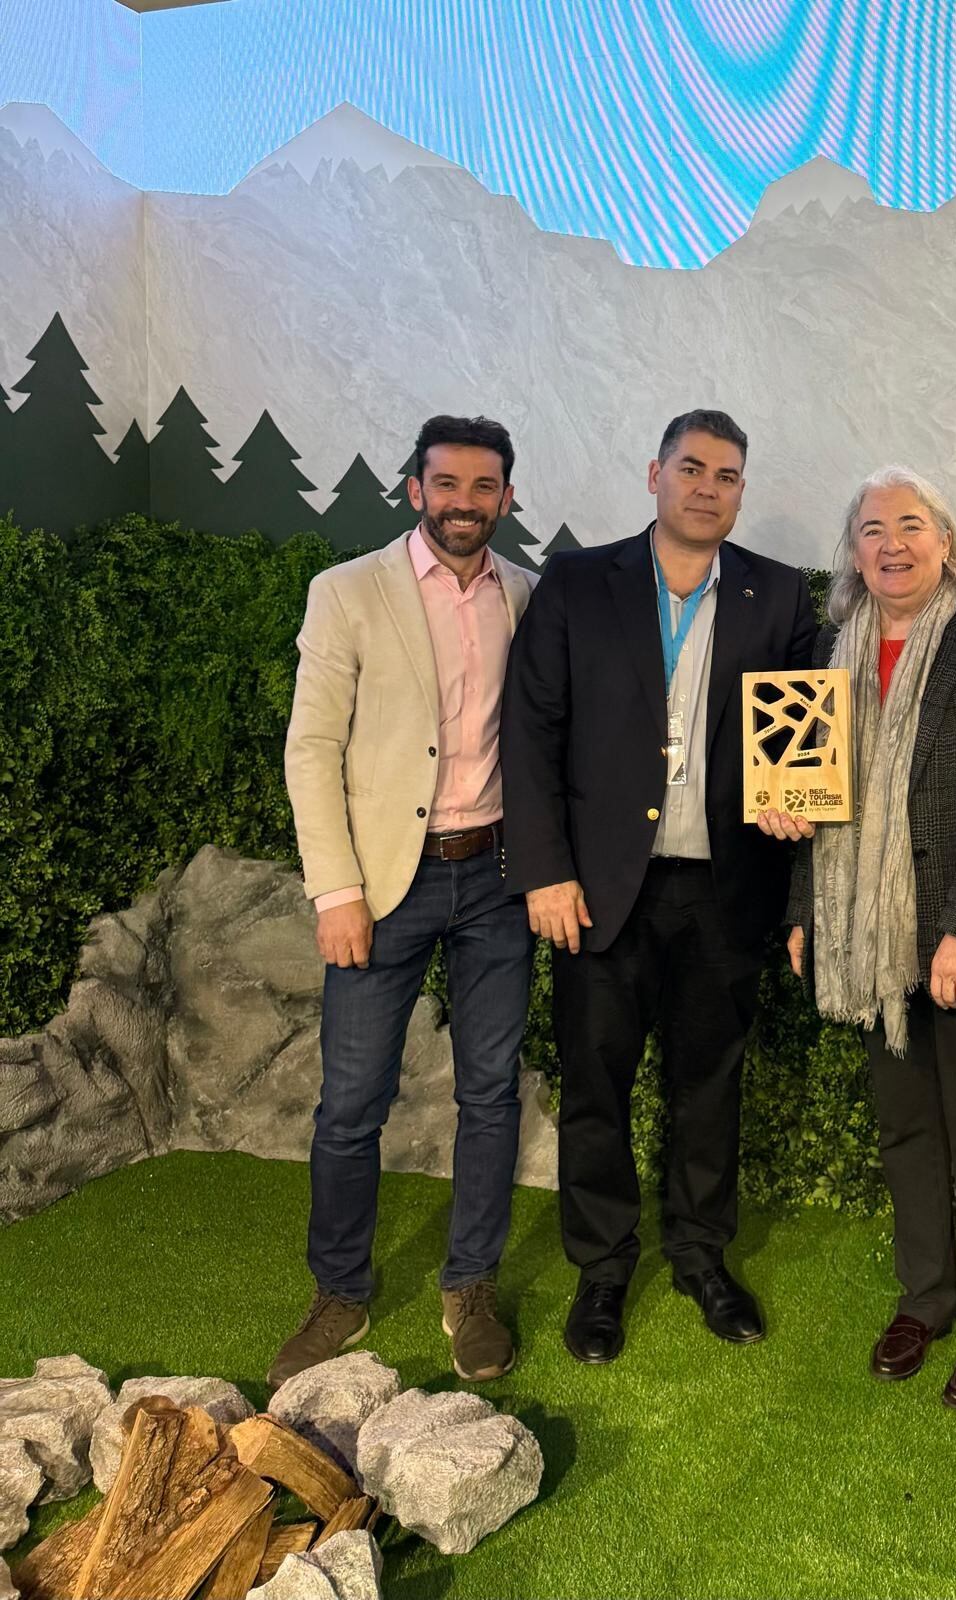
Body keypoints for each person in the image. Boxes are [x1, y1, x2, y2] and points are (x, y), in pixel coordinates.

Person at [500, 409, 817, 1363]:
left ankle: (700, 1256)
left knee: (707, 1087)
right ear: (654, 474)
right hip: (598, 893)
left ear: (740, 491)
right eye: (691, 468)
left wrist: (796, 797)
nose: (707, 486)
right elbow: (530, 732)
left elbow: (799, 736)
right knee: (596, 1089)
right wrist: (545, 872)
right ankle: (602, 1271)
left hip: (725, 889)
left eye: (726, 475)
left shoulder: (779, 594)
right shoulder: (577, 582)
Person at [762, 466, 956, 1410]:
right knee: (907, 1130)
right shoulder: (827, 651)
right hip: (866, 944)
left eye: (911, 525)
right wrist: (808, 911)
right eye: (872, 527)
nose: (892, 542)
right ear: (853, 552)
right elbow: (812, 805)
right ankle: (929, 1294)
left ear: (946, 543)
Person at [272, 415, 537, 1389]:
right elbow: (310, 748)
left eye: (484, 486)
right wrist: (335, 889)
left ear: (507, 497)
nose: (464, 502)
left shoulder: (528, 597)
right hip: (383, 885)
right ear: (415, 488)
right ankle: (338, 1290)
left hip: (498, 879)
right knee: (350, 1104)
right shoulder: (346, 593)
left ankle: (470, 1285)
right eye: (446, 483)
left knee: (491, 1094)